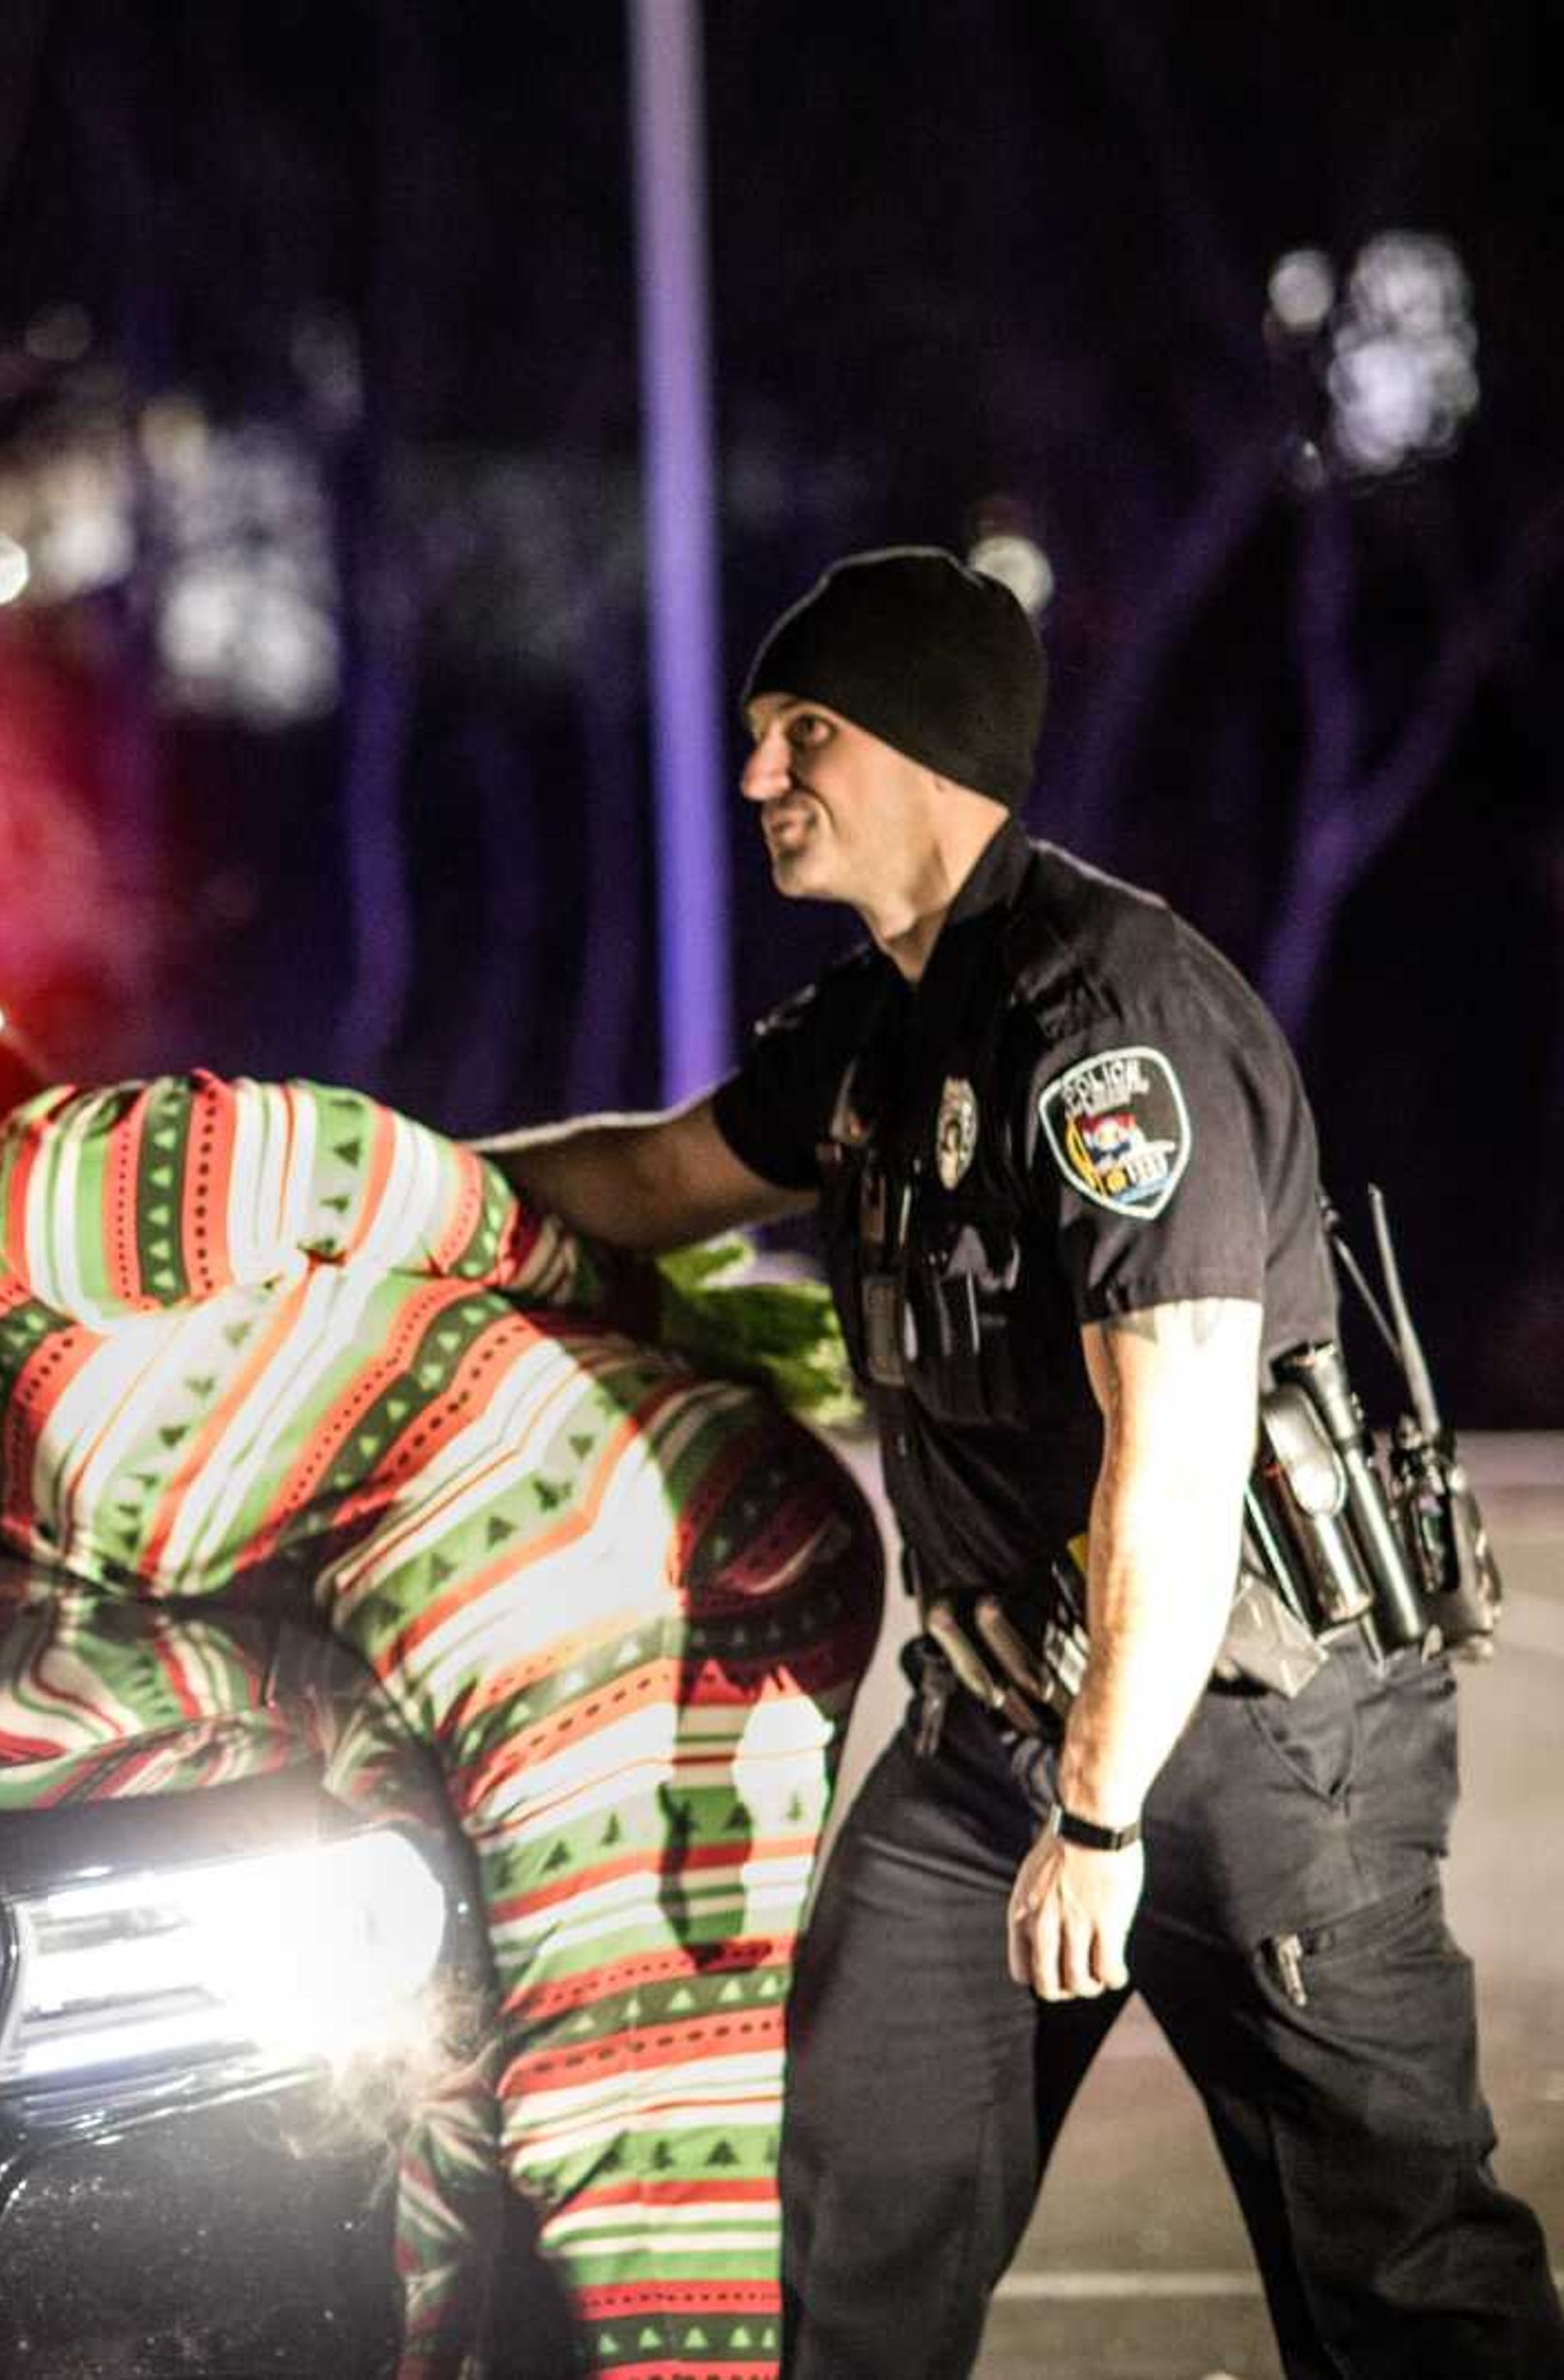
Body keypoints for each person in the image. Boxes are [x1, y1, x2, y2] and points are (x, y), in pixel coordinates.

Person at [480, 546, 1563, 2375]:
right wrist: (364, 1179)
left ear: (923, 750)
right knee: (836, 2209)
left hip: (1247, 1739)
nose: (758, 779)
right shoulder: (876, 1031)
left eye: (798, 732)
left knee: (1395, 2271)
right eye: (756, 736)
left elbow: (1182, 1435)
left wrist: (1100, 1814)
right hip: (1001, 1724)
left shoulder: (1102, 1020)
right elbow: (658, 1180)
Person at [0, 1060, 886, 2376]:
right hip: (488, 1644)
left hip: (614, 1550)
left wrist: (643, 1303)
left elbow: (380, 1175)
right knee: (485, 2132)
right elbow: (262, 1669)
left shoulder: (9, 1211)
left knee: (612, 2121)